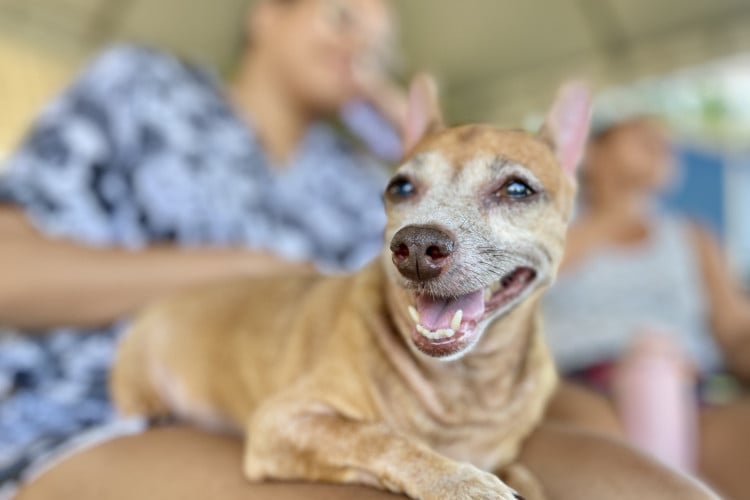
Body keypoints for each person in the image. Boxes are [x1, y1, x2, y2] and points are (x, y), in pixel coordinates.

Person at [0, 0, 405, 486]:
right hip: (87, 414)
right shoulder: (141, 89)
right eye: (342, 18)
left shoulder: (362, 189)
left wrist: (431, 165)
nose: (359, 47)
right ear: (266, 14)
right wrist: (239, 271)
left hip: (298, 430)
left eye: (380, 49)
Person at [542, 115, 750, 498]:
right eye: (639, 133)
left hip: (690, 386)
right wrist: (614, 214)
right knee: (605, 458)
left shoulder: (693, 236)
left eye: (666, 140)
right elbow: (520, 288)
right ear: (592, 153)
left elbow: (735, 328)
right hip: (580, 381)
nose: (660, 141)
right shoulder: (548, 226)